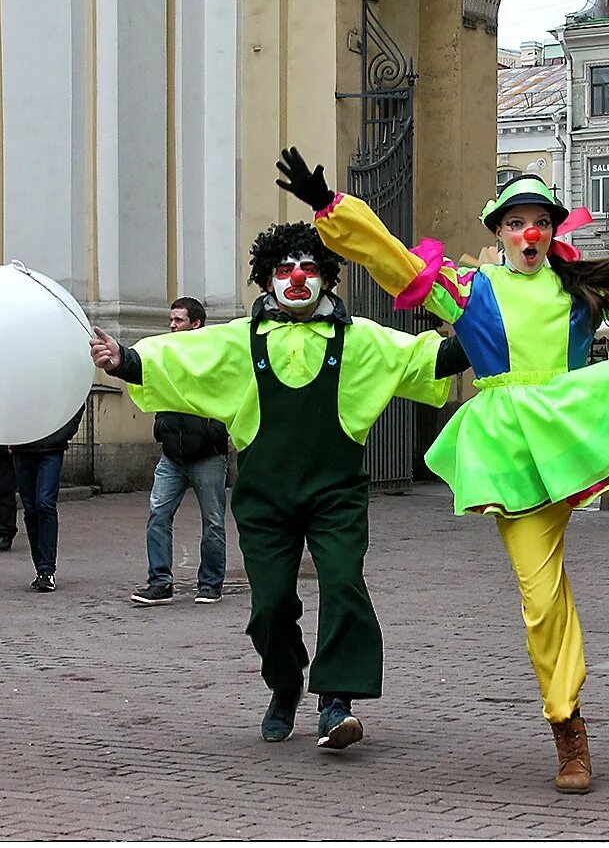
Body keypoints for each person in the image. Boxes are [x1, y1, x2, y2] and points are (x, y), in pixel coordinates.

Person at [279, 145, 609, 793]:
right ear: (499, 234)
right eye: (515, 222)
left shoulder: (583, 289)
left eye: (538, 220)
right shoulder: (471, 290)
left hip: (572, 431)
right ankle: (568, 725)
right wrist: (329, 208)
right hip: (514, 452)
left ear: (553, 230)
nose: (529, 232)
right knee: (542, 599)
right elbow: (392, 260)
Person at [90, 222, 469, 752]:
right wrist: (124, 360)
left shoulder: (357, 339)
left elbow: (423, 359)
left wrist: (479, 328)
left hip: (335, 492)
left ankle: (336, 701)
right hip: (265, 496)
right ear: (267, 279)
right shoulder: (240, 341)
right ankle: (285, 683)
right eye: (285, 269)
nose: (297, 277)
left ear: (327, 279)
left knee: (342, 585)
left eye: (309, 268)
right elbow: (181, 360)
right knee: (269, 605)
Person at [125, 297, 231, 607]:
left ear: (196, 323)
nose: (172, 325)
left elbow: (228, 393)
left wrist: (215, 430)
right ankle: (160, 582)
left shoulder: (214, 355)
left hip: (208, 455)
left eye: (179, 320)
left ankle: (210, 584)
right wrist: (162, 428)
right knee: (158, 514)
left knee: (213, 521)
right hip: (172, 455)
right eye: (171, 320)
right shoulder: (166, 353)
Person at [10, 407, 85, 593]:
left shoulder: (58, 377)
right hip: (23, 446)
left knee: (44, 503)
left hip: (51, 447)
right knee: (31, 508)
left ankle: (46, 569)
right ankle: (41, 570)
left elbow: (76, 398)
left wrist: (63, 433)